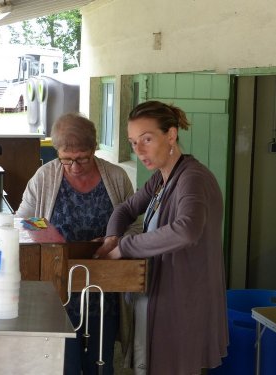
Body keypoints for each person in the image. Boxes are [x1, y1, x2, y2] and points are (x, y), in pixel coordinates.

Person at [94, 101, 229, 374]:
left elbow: (186, 229)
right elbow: (126, 209)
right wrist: (111, 237)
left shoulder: (192, 178)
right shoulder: (161, 178)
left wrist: (125, 247)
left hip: (183, 298)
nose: (139, 150)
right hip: (160, 292)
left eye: (147, 139)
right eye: (133, 142)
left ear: (171, 135)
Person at [16, 112, 138, 375]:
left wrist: (112, 241)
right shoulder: (45, 177)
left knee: (100, 363)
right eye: (66, 159)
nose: (74, 166)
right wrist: (49, 237)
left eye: (82, 158)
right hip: (58, 290)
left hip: (103, 289)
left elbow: (136, 225)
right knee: (62, 364)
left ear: (94, 148)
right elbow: (23, 222)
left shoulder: (116, 178)